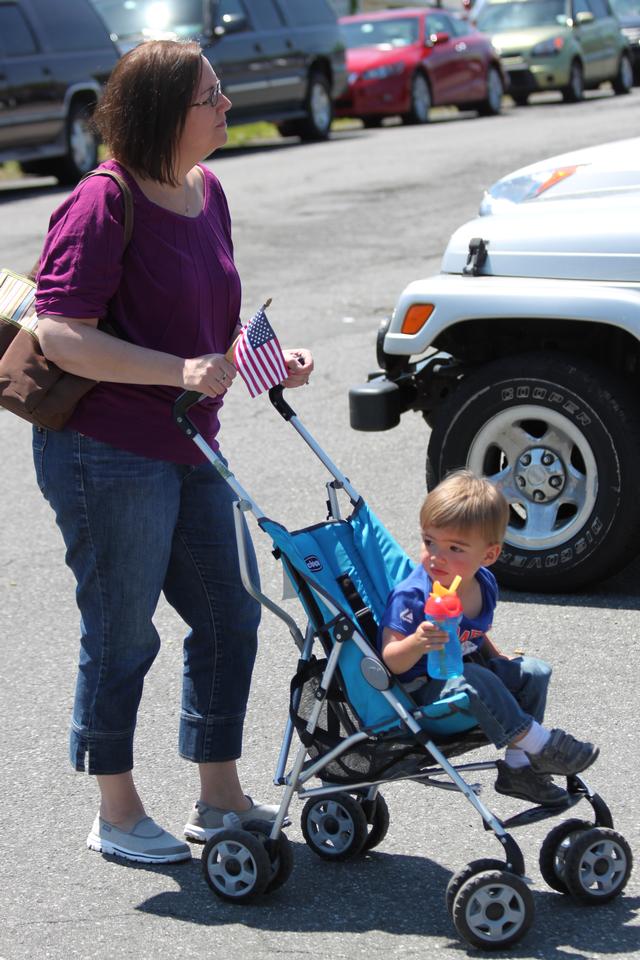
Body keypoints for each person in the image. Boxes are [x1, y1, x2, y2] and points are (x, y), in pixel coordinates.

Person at [33, 40, 313, 864]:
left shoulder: (206, 189)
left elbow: (206, 322)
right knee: (122, 633)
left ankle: (219, 796)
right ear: (163, 111)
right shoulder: (100, 202)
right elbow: (60, 332)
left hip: (191, 443)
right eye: (211, 97)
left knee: (231, 615)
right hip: (104, 452)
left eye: (222, 92)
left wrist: (265, 356)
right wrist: (176, 371)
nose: (227, 107)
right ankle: (116, 812)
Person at [378, 470, 598, 806]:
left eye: (454, 547)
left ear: (489, 555)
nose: (436, 556)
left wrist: (499, 657)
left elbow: (474, 637)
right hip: (420, 692)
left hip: (461, 672)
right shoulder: (412, 595)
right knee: (476, 678)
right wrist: (419, 641)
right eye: (429, 541)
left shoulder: (483, 584)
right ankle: (541, 744)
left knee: (534, 671)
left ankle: (519, 768)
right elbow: (391, 660)